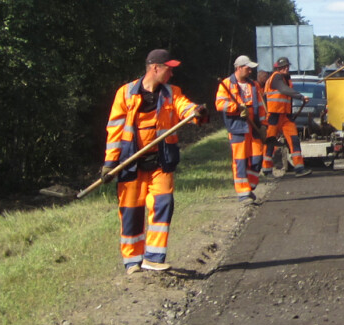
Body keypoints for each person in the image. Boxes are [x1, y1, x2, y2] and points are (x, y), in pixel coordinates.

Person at [104, 49, 205, 274]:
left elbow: (185, 107)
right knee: (131, 212)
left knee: (163, 204)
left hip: (161, 162)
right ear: (155, 68)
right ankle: (132, 262)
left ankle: (153, 257)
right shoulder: (125, 93)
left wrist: (196, 112)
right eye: (169, 69)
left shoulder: (172, 93)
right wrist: (110, 163)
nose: (171, 73)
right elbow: (114, 129)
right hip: (131, 163)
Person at [215, 54, 265, 203]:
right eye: (247, 68)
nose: (250, 71)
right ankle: (243, 193)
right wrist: (236, 109)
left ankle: (250, 185)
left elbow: (261, 107)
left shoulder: (254, 85)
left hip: (254, 127)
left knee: (257, 159)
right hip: (237, 127)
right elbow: (219, 104)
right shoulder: (226, 84)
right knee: (240, 160)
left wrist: (264, 125)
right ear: (238, 68)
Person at [264, 56, 312, 178]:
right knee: (270, 142)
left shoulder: (286, 79)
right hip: (274, 115)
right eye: (283, 67)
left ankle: (299, 168)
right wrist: (300, 96)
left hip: (286, 116)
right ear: (278, 68)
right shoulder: (276, 77)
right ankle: (266, 169)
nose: (286, 68)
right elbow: (283, 90)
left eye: (287, 66)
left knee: (294, 140)